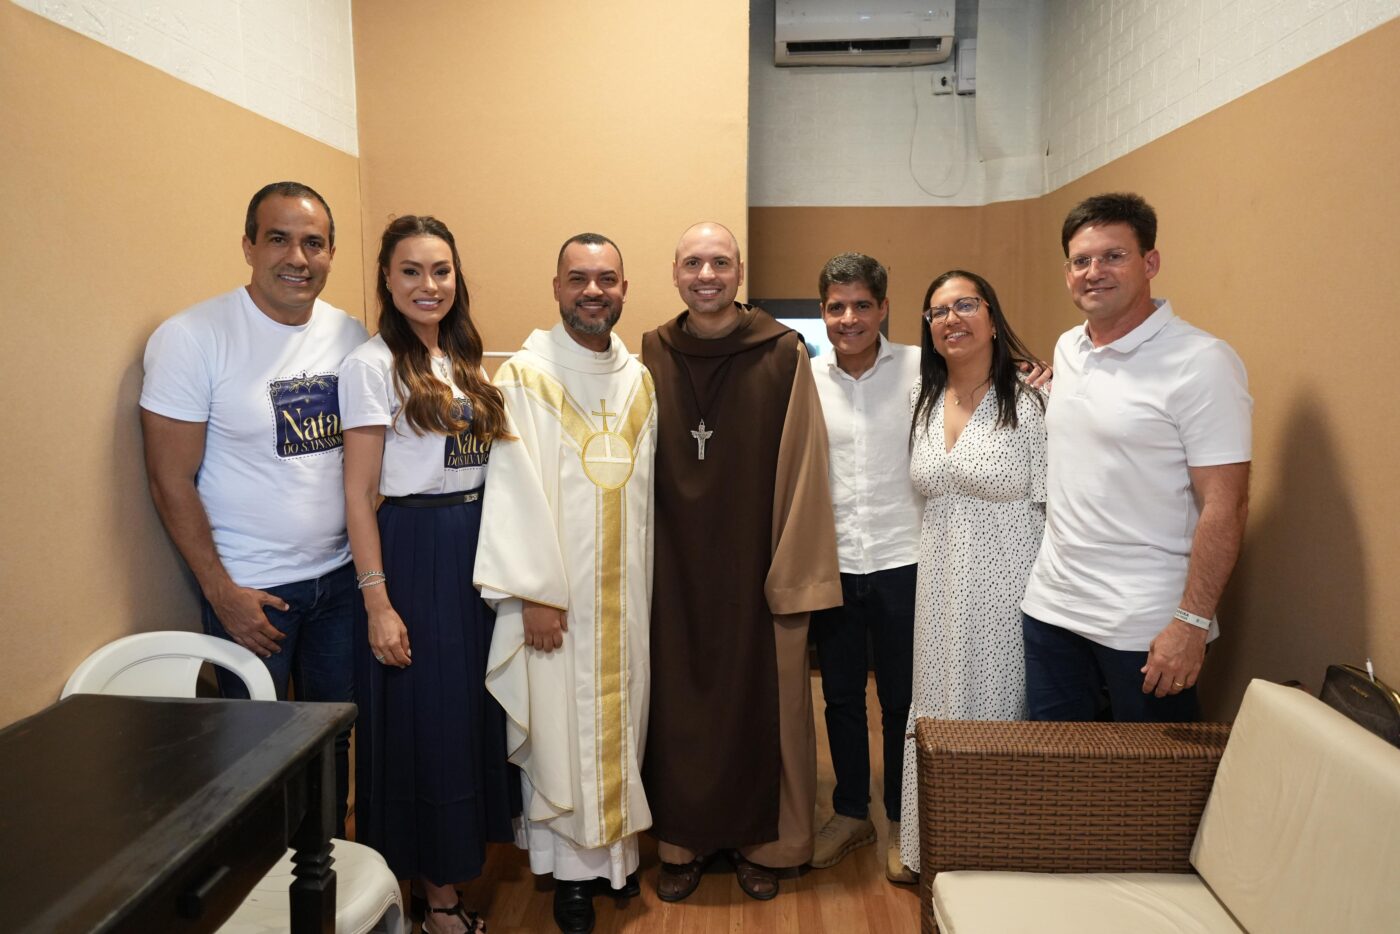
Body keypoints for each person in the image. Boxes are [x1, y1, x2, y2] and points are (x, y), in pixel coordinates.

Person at [140, 181, 367, 833]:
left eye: (314, 243)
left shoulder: (349, 333)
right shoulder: (192, 337)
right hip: (253, 592)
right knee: (256, 756)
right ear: (248, 246)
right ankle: (266, 896)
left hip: (341, 585)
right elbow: (169, 479)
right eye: (279, 239)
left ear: (330, 254)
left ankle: (324, 880)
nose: (298, 257)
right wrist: (223, 591)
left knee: (336, 739)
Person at [642, 221, 842, 903]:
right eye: (693, 262)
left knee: (767, 707)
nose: (706, 275)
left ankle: (765, 845)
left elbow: (807, 463)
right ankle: (683, 840)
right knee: (677, 709)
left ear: (740, 270)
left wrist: (795, 572)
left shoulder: (783, 353)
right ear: (674, 271)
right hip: (671, 570)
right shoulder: (648, 354)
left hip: (757, 566)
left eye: (719, 263)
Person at [473, 233, 656, 934]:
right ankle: (570, 877)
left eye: (606, 278)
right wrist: (536, 593)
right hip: (559, 597)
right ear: (555, 287)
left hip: (625, 593)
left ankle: (615, 861)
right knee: (560, 727)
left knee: (620, 721)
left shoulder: (637, 378)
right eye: (578, 278)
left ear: (623, 289)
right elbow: (515, 488)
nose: (592, 291)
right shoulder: (525, 376)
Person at [339, 215, 516, 934]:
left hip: (477, 544)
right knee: (427, 727)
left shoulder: (464, 357)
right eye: (411, 270)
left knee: (467, 719)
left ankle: (449, 876)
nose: (428, 285)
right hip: (415, 547)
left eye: (440, 270)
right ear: (386, 277)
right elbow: (357, 493)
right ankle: (435, 903)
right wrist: (378, 603)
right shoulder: (370, 365)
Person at [1021, 192, 1252, 722]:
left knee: (1147, 795)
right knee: (1060, 780)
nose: (1094, 272)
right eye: (1081, 261)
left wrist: (1190, 624)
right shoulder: (1067, 350)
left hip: (1145, 627)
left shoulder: (1202, 362)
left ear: (1150, 262)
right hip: (1053, 609)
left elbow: (1227, 505)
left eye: (1113, 256)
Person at [896, 268, 1049, 874]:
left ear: (992, 317)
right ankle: (932, 849)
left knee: (999, 713)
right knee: (934, 712)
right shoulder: (923, 399)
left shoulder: (1033, 395)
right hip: (936, 591)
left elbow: (1056, 503)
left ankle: (994, 857)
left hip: (1009, 591)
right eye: (937, 312)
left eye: (965, 305)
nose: (951, 319)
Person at [806, 253, 920, 884]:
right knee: (842, 695)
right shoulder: (805, 377)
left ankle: (906, 818)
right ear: (823, 311)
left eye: (861, 306)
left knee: (903, 698)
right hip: (838, 562)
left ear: (882, 307)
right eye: (835, 307)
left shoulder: (921, 367)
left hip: (908, 559)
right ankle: (852, 812)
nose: (848, 319)